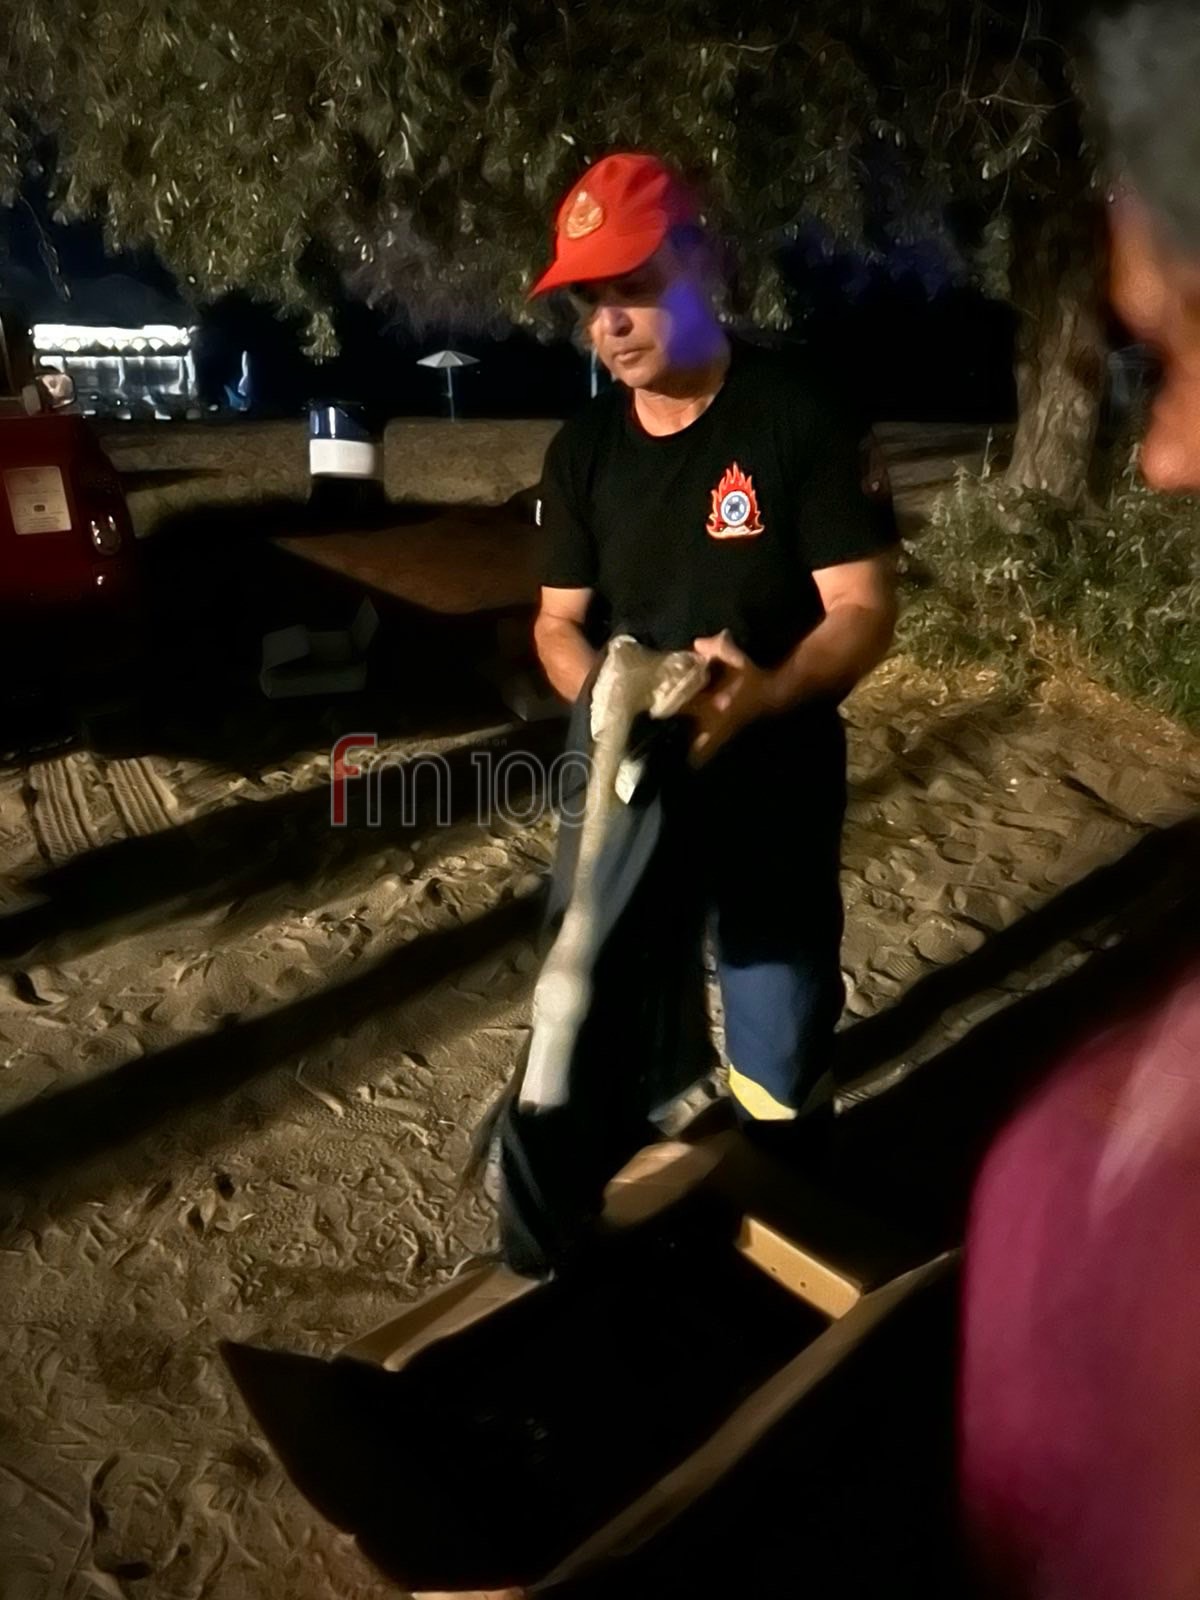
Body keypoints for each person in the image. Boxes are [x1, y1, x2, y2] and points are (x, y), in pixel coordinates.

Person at [527, 150, 898, 1140]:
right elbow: (557, 623)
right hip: (631, 782)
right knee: (609, 1016)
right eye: (590, 301)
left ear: (701, 267)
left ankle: (785, 1158)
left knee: (777, 1023)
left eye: (632, 287)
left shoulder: (801, 415)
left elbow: (863, 606)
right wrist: (611, 707)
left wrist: (767, 690)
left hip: (775, 768)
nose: (607, 324)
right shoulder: (581, 452)